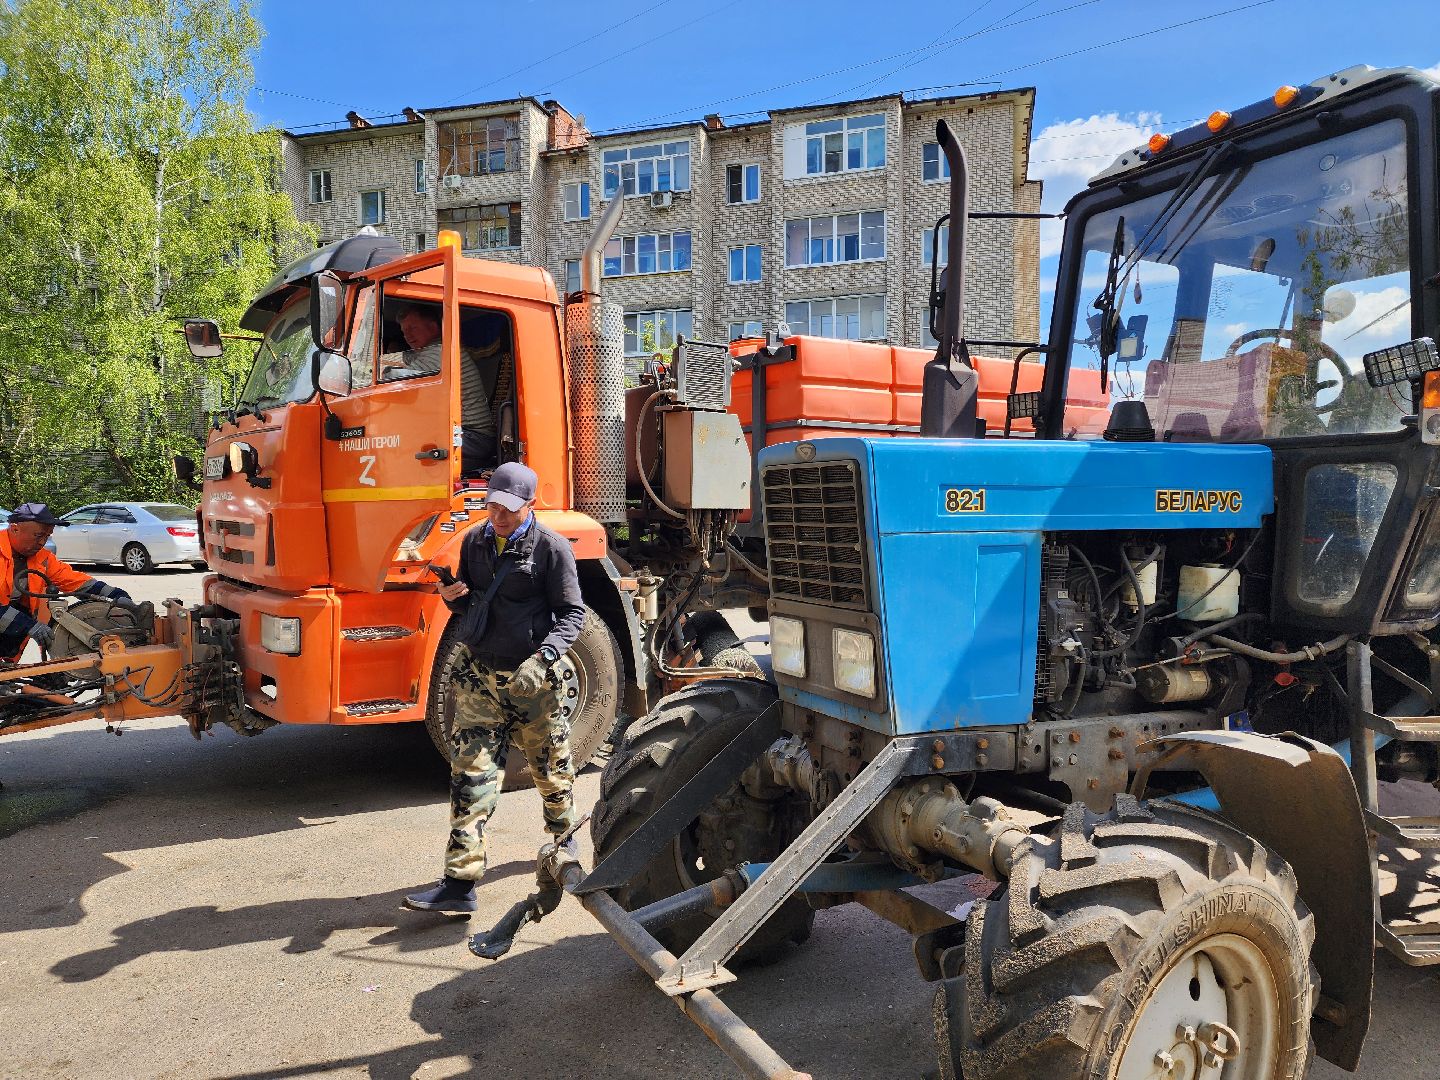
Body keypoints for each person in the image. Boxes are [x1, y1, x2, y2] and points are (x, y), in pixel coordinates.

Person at [405, 462, 585, 913]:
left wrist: (544, 658)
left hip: (534, 683)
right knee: (470, 776)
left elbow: (573, 614)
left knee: (552, 771)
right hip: (480, 678)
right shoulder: (475, 542)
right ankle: (459, 885)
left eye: (508, 508)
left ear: (530, 504)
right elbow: (472, 606)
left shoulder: (552, 548)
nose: (498, 516)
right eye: (492, 506)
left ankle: (564, 841)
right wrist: (453, 597)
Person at [0, 503, 140, 663]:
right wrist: (27, 625)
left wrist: (116, 596)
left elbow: (75, 581)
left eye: (47, 536)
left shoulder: (42, 558)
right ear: (15, 529)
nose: (42, 542)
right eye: (38, 536)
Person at [381, 303, 498, 475]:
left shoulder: (440, 351)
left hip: (473, 437)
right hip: (469, 435)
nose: (407, 335)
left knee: (399, 446)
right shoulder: (429, 351)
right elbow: (400, 359)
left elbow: (396, 376)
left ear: (433, 327)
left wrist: (376, 371)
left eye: (413, 328)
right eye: (404, 331)